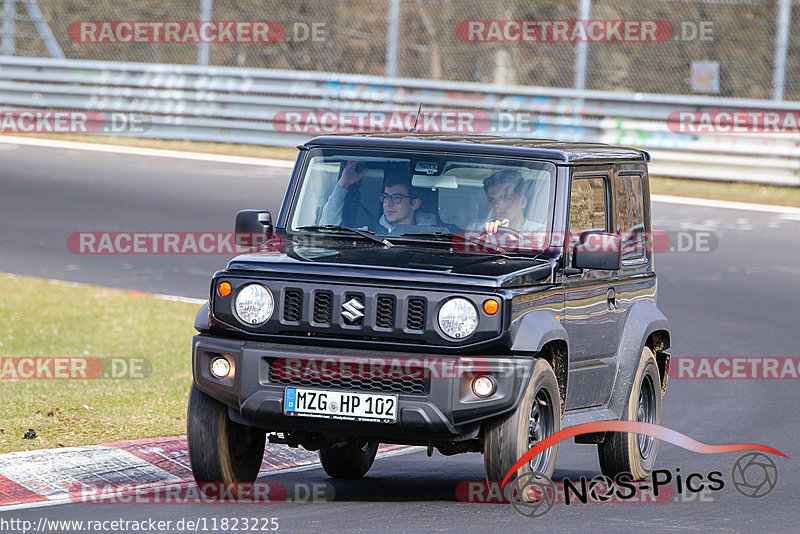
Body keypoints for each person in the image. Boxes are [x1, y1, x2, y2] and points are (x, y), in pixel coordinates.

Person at [319, 161, 437, 232]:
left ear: (415, 204)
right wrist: (342, 185)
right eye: (385, 197)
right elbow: (326, 230)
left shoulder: (434, 237)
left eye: (396, 198)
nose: (388, 203)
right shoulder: (369, 234)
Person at [478, 169, 544, 234]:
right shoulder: (481, 231)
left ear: (522, 202)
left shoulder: (540, 233)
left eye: (505, 199)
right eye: (491, 200)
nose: (496, 205)